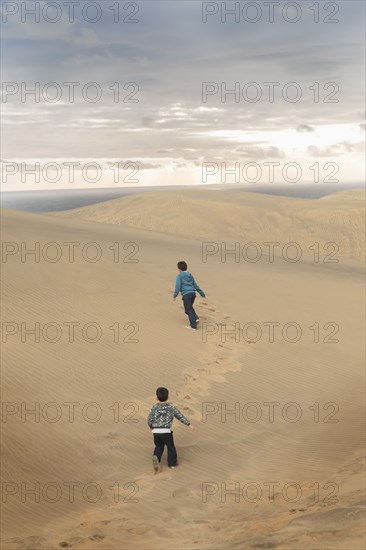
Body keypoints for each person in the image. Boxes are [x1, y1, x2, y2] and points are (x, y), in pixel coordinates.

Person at [147, 387, 194, 471]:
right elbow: (180, 416)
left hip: (156, 431)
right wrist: (189, 424)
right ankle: (172, 464)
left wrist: (151, 426)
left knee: (158, 446)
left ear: (157, 397)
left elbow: (150, 419)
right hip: (166, 431)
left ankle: (156, 458)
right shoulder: (171, 408)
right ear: (168, 397)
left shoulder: (154, 407)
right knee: (170, 447)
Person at [173, 261, 205, 330]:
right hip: (193, 294)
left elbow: (178, 286)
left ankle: (193, 326)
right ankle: (196, 318)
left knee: (188, 309)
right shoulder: (190, 275)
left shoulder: (179, 276)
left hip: (186, 295)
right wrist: (201, 293)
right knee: (189, 308)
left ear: (179, 269)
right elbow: (195, 285)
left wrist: (175, 295)